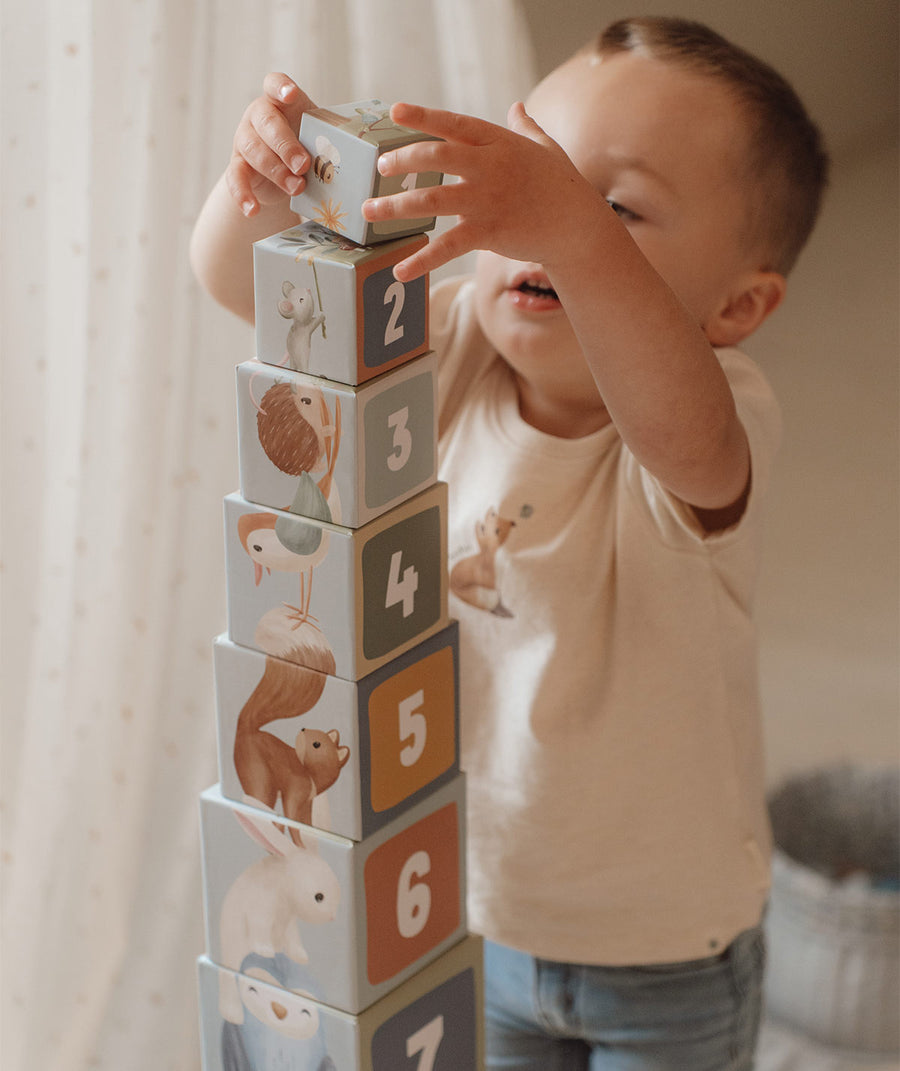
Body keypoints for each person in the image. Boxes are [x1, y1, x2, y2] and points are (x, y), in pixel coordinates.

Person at [191, 16, 828, 1069]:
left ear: (736, 307)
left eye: (612, 209)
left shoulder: (718, 412)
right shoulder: (450, 341)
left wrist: (572, 231)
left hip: (665, 950)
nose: (544, 224)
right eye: (530, 183)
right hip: (473, 910)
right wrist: (257, 179)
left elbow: (692, 442)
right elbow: (241, 284)